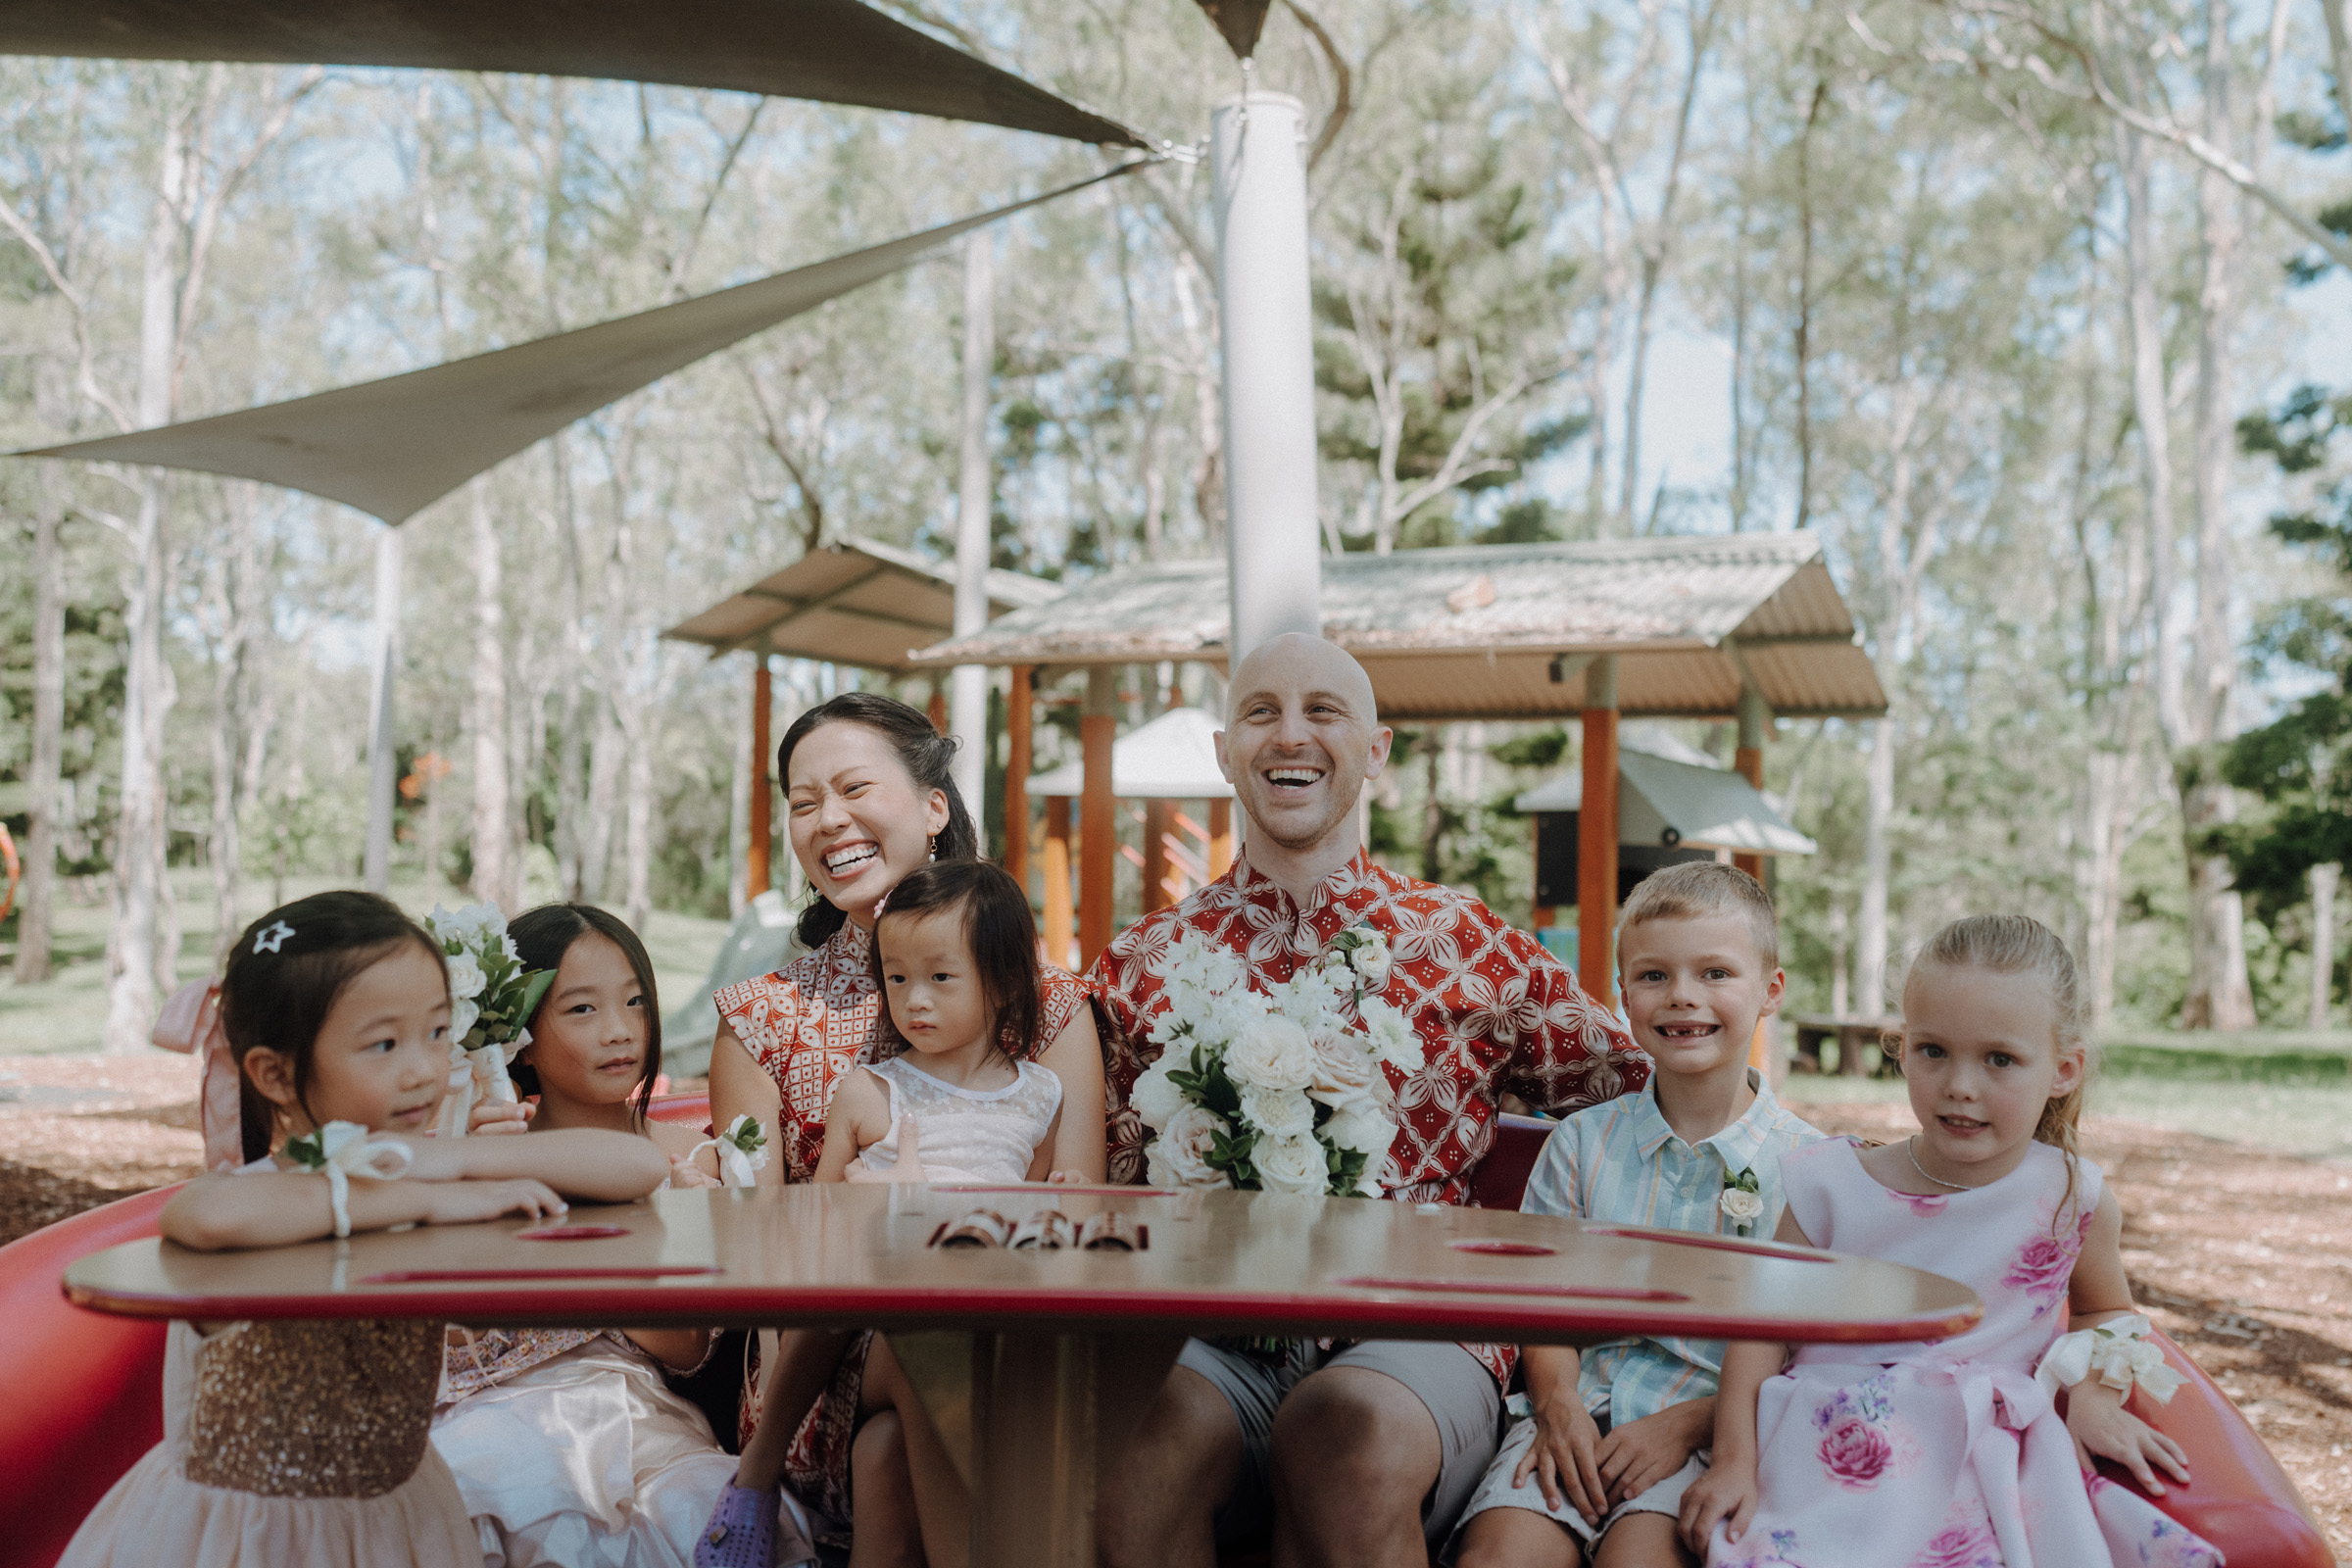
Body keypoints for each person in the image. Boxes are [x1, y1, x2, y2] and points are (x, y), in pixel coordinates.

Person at [1093, 633, 1648, 1568]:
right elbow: (1089, 1168)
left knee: (1343, 1432)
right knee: (1132, 1448)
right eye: (1261, 712)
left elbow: (1640, 1089)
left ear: (1377, 752)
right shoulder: (1140, 963)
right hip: (1212, 1337)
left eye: (1325, 711)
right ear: (1226, 751)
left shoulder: (1464, 942)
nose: (1291, 736)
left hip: (1418, 1332)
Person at [60, 890, 670, 1568]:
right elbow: (203, 1213)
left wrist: (442, 1158)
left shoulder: (417, 1165)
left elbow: (636, 1163)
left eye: (438, 1033)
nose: (424, 1070)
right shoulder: (264, 1195)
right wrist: (424, 1201)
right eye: (383, 1044)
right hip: (250, 1534)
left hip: (400, 1518)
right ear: (275, 1074)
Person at [1681, 915, 2222, 1568]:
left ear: (2064, 1069)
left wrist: (2092, 1397)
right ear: (1902, 1048)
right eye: (1934, 1051)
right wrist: (1736, 1461)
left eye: (2000, 1059)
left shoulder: (2069, 1198)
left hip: (1982, 1453)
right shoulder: (1831, 1185)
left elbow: (2110, 1310)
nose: (1962, 1085)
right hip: (1830, 1449)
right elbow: (1760, 1327)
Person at [703, 693, 1105, 1558]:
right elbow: (759, 1253)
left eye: (853, 788)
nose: (829, 820)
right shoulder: (762, 1017)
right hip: (817, 1368)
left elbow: (1077, 1214)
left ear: (934, 808)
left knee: (902, 1434)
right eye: (804, 804)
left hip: (1011, 1337)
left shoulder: (1045, 1000)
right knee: (930, 1350)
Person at [1448, 862, 1820, 1568]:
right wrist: (1557, 1410)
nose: (1683, 997)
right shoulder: (1582, 1144)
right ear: (1622, 995)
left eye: (1715, 974)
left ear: (1770, 991)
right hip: (1573, 1418)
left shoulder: (1809, 1170)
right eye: (1653, 977)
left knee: (1641, 1558)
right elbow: (1537, 1304)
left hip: (1717, 1432)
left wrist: (1685, 1426)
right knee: (1500, 1557)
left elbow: (1804, 1355)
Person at [430, 903, 816, 1568]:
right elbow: (447, 1333)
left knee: (693, 1512)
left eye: (636, 1002)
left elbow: (689, 1344)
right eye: (582, 1010)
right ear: (519, 1029)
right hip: (482, 1413)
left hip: (630, 1413)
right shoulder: (482, 1146)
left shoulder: (695, 1160)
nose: (620, 1031)